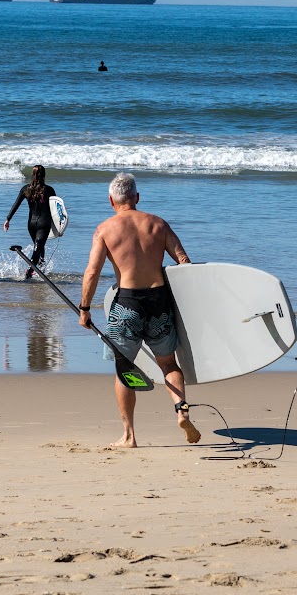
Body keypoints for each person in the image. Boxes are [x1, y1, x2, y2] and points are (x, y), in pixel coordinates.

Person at [79, 172, 200, 448]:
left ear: (111, 200)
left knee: (124, 368)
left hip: (127, 307)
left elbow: (92, 273)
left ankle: (129, 435)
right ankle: (181, 408)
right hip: (159, 305)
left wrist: (84, 308)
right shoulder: (158, 224)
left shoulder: (105, 230)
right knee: (169, 364)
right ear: (137, 197)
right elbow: (184, 264)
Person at [3, 164, 57, 279]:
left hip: (31, 224)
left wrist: (8, 219)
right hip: (44, 224)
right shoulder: (49, 190)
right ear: (43, 175)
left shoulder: (25, 189)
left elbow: (16, 204)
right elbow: (56, 210)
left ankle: (41, 268)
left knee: (39, 247)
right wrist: (59, 225)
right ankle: (30, 272)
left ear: (32, 175)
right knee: (38, 248)